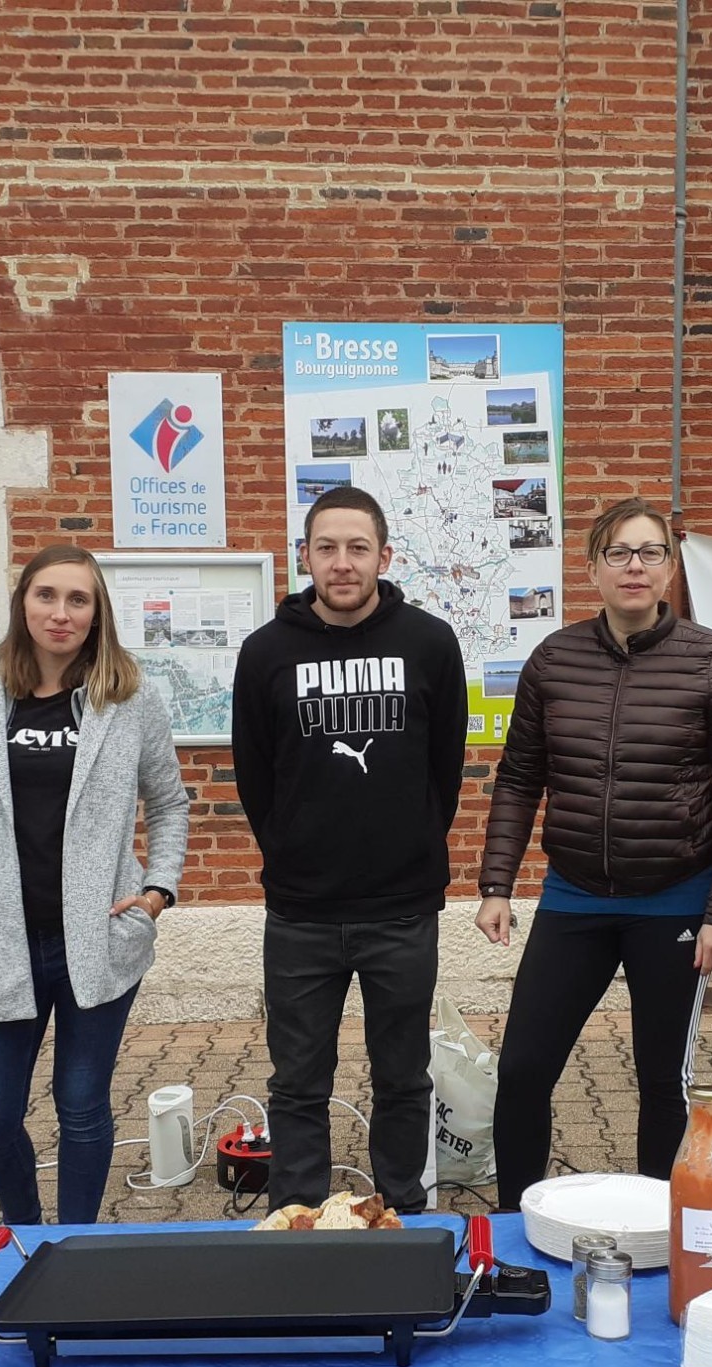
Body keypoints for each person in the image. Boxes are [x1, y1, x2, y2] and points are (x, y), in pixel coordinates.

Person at [476, 498, 712, 1209]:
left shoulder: (711, 660)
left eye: (650, 552)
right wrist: (496, 883)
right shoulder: (555, 659)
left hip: (677, 902)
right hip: (575, 897)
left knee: (663, 1079)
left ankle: (662, 1230)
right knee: (525, 1068)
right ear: (593, 569)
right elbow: (519, 776)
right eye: (619, 553)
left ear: (669, 569)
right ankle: (515, 1225)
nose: (635, 566)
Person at [0, 545, 189, 1224]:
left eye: (78, 599)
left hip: (97, 938)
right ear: (23, 604)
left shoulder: (128, 697)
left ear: (97, 613)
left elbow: (169, 800)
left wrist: (156, 893)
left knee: (81, 1105)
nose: (60, 613)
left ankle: (74, 1250)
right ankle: (25, 1227)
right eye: (46, 596)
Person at [232, 486, 468, 1213]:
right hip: (301, 913)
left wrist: (409, 845)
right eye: (326, 547)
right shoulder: (265, 652)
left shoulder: (430, 643)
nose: (342, 563)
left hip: (402, 909)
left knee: (403, 1076)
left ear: (384, 556)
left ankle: (398, 1210)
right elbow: (255, 775)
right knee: (297, 1081)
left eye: (357, 548)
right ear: (305, 556)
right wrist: (297, 850)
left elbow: (446, 769)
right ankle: (297, 1215)